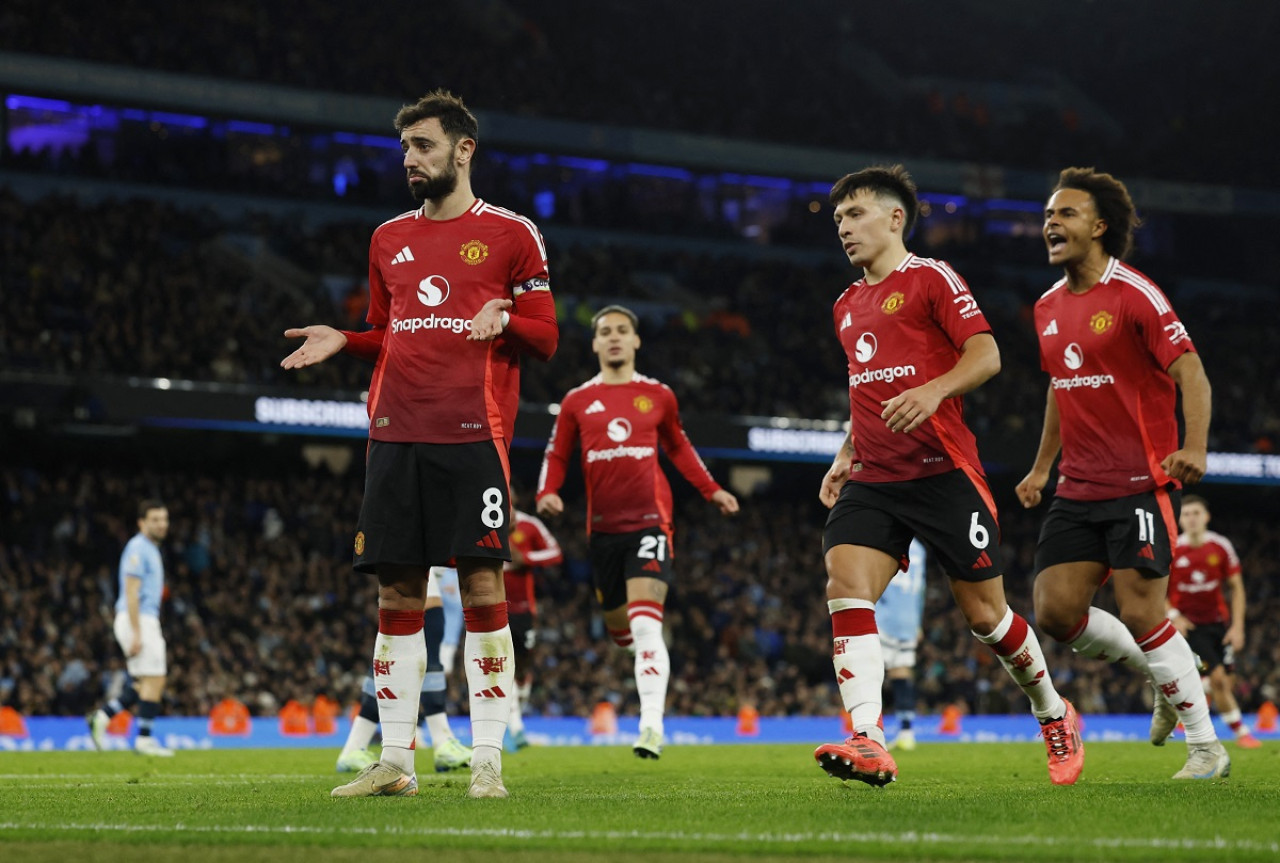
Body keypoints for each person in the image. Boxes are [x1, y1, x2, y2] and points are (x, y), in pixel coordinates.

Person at [282, 89, 558, 799]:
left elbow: (549, 336)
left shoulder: (512, 234)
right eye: (405, 147)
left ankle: (488, 757)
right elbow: (386, 328)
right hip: (393, 432)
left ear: (464, 150)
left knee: (481, 585)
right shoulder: (386, 238)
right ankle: (396, 760)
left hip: (473, 433)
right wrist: (346, 338)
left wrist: (506, 315)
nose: (410, 158)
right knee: (398, 592)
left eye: (424, 145)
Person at [813, 164, 1083, 788]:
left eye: (855, 215)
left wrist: (934, 391)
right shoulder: (845, 305)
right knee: (844, 585)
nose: (845, 229)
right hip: (876, 477)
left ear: (895, 217)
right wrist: (846, 451)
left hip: (943, 473)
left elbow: (986, 354)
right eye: (838, 221)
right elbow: (866, 388)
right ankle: (870, 739)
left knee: (987, 618)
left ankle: (1053, 711)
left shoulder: (930, 278)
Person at [1016, 167, 1228, 780]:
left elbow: (1191, 371)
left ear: (1100, 226)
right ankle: (1163, 675)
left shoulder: (1135, 293)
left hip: (1139, 481)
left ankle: (1206, 748)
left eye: (1066, 214)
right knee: (1055, 613)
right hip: (1076, 488)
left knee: (1142, 613)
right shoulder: (1046, 307)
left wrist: (1195, 447)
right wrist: (1040, 468)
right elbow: (1060, 385)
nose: (1051, 223)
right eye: (1049, 214)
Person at [536, 304, 739, 760]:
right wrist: (547, 491)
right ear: (594, 344)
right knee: (620, 631)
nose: (613, 337)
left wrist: (711, 491)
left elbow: (679, 447)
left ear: (636, 341)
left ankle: (651, 726)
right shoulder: (576, 401)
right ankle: (641, 666)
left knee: (647, 626)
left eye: (622, 331)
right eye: (604, 331)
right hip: (602, 532)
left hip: (650, 522)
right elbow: (556, 454)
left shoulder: (658, 395)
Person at [334, 574, 473, 774]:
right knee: (422, 624)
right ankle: (442, 741)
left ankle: (355, 745)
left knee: (405, 640)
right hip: (409, 550)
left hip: (412, 552)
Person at [1168, 495, 1261, 748]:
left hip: (1218, 624)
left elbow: (1237, 587)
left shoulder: (1221, 546)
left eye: (1196, 513)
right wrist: (1174, 616)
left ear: (1206, 517)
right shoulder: (1173, 549)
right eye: (1186, 514)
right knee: (1219, 678)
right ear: (1179, 519)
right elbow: (1157, 590)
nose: (1192, 518)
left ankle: (1190, 698)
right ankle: (1242, 733)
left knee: (1225, 682)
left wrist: (1237, 626)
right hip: (1191, 627)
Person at [88, 499, 174, 757]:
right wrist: (136, 631)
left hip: (141, 618)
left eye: (164, 519)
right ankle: (144, 740)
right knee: (156, 678)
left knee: (141, 683)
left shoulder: (150, 549)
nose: (162, 524)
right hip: (138, 619)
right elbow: (131, 590)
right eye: (155, 520)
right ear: (142, 522)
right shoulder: (138, 548)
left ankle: (102, 717)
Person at [504, 496, 564, 749]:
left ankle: (521, 694)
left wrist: (526, 559)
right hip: (493, 607)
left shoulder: (530, 526)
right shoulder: (481, 523)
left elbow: (555, 553)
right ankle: (516, 728)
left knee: (523, 665)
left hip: (524, 609)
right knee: (504, 663)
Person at [878, 538, 927, 751]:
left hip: (885, 616)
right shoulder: (919, 549)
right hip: (909, 619)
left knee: (871, 672)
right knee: (901, 673)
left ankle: (871, 734)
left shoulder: (886, 537)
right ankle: (907, 733)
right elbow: (921, 588)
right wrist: (917, 622)